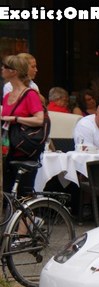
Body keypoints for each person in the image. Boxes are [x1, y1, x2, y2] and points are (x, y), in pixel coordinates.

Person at [1, 55, 45, 196]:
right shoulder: (7, 95)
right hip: (8, 150)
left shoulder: (30, 94)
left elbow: (39, 119)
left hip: (24, 149)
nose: (2, 69)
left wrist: (15, 118)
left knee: (22, 195)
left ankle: (26, 218)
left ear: (14, 71)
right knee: (6, 193)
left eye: (5, 67)